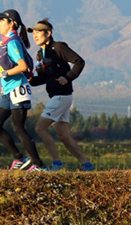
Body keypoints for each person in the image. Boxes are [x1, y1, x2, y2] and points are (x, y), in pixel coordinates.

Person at [28, 18, 95, 171]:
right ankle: (87, 165)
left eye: (39, 32)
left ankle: (56, 164)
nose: (35, 35)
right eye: (34, 33)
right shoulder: (40, 54)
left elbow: (79, 61)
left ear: (49, 33)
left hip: (61, 96)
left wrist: (68, 77)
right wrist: (30, 80)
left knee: (40, 128)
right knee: (63, 135)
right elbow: (44, 78)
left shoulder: (58, 47)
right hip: (58, 97)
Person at [0, 9, 45, 171]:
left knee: (18, 128)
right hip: (9, 92)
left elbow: (22, 66)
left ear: (12, 23)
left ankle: (39, 165)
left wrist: (2, 74)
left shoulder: (13, 42)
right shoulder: (6, 41)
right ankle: (20, 158)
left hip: (18, 90)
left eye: (2, 21)